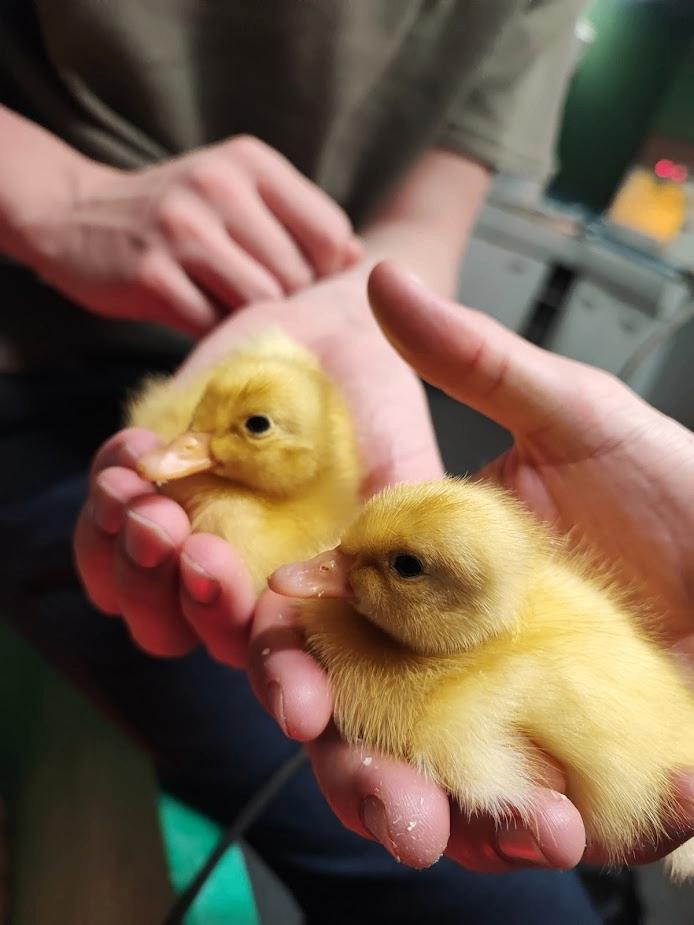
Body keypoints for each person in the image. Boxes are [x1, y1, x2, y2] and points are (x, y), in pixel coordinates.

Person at [0, 2, 655, 921]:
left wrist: (366, 296)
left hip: (329, 358)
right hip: (35, 361)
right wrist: (49, 192)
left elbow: (428, 220)